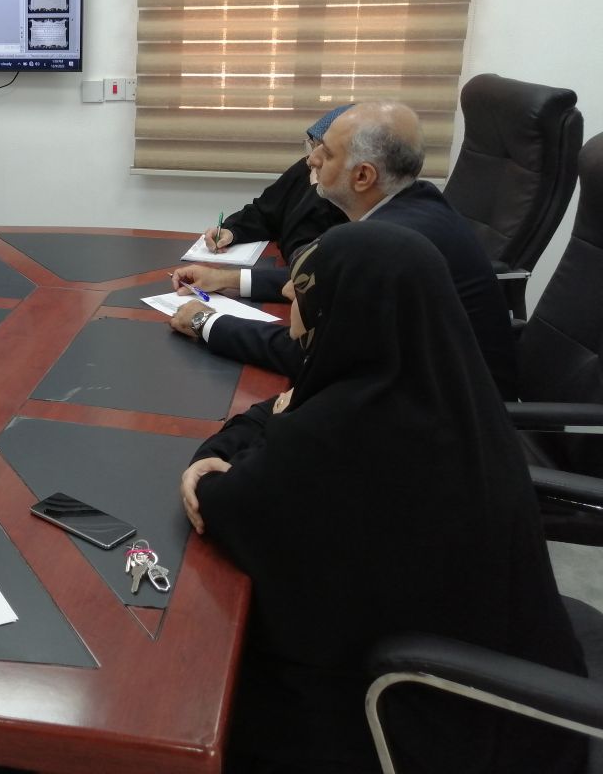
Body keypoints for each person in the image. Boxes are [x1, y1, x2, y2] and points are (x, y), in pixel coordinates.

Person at [179, 222, 586, 774]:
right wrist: (273, 418)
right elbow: (286, 415)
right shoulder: (450, 388)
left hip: (417, 716)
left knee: (195, 683)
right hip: (516, 671)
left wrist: (220, 449)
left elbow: (219, 501)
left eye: (306, 288)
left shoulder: (341, 431)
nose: (291, 293)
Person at [170, 100, 517, 399]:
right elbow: (322, 281)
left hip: (448, 414)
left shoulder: (383, 243)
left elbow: (313, 357)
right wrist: (225, 280)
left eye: (326, 152)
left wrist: (205, 321)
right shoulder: (416, 202)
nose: (311, 160)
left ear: (363, 176)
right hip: (435, 388)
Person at [200, 104, 350, 261]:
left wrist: (315, 193)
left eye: (325, 151)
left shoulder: (353, 194)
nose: (311, 159)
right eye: (313, 144)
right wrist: (232, 231)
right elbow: (265, 212)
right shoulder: (306, 167)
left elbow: (302, 249)